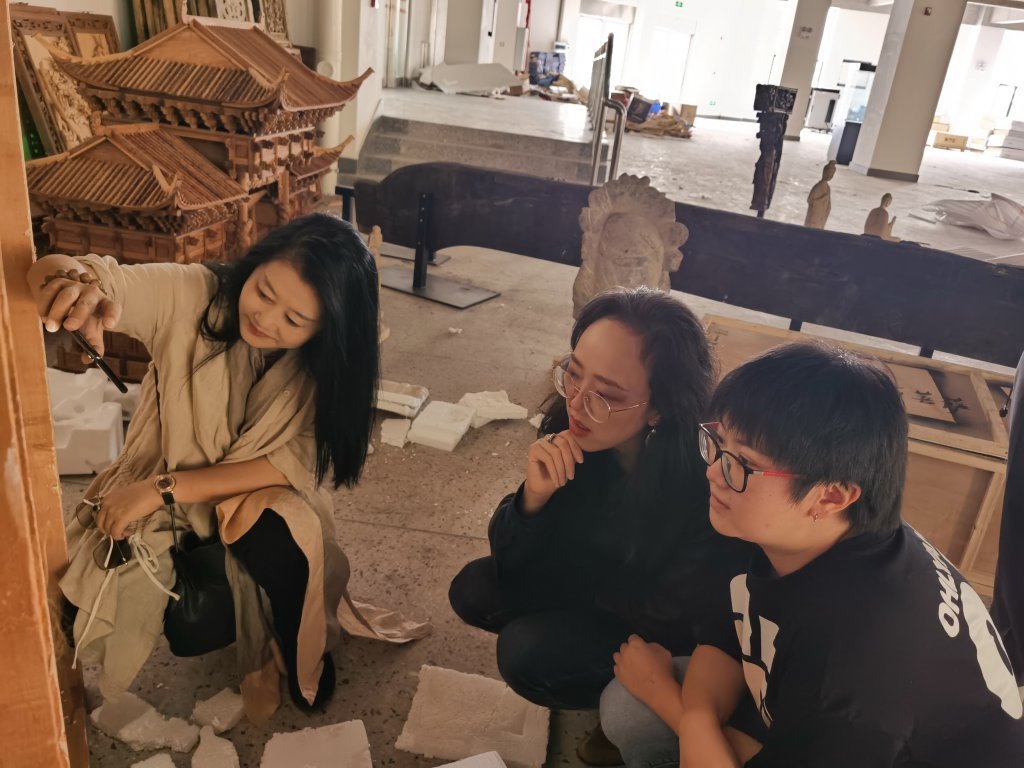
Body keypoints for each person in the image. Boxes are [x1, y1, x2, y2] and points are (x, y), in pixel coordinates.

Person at [30, 213, 428, 723]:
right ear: (255, 264)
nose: (266, 319)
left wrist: (160, 488)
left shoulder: (332, 366)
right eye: (263, 292)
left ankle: (301, 649)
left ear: (325, 329)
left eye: (294, 320)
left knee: (287, 544)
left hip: (249, 491)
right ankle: (48, 689)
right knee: (95, 586)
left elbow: (285, 465)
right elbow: (96, 277)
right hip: (165, 494)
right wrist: (69, 285)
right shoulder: (195, 294)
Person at [600, 343, 1024, 767]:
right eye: (719, 441)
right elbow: (731, 630)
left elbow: (841, 700)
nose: (714, 471)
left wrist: (665, 697)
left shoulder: (856, 666)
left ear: (831, 496)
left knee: (639, 709)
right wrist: (696, 716)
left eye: (742, 461)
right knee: (631, 708)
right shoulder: (803, 530)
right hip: (832, 718)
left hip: (866, 737)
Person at [448, 287, 749, 761]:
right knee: (476, 588)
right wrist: (533, 500)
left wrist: (571, 574)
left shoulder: (700, 481)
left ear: (659, 408)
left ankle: (625, 711)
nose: (577, 402)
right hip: (602, 586)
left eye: (606, 395)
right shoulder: (575, 433)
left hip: (663, 633)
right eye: (573, 373)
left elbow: (676, 616)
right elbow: (515, 556)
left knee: (526, 651)